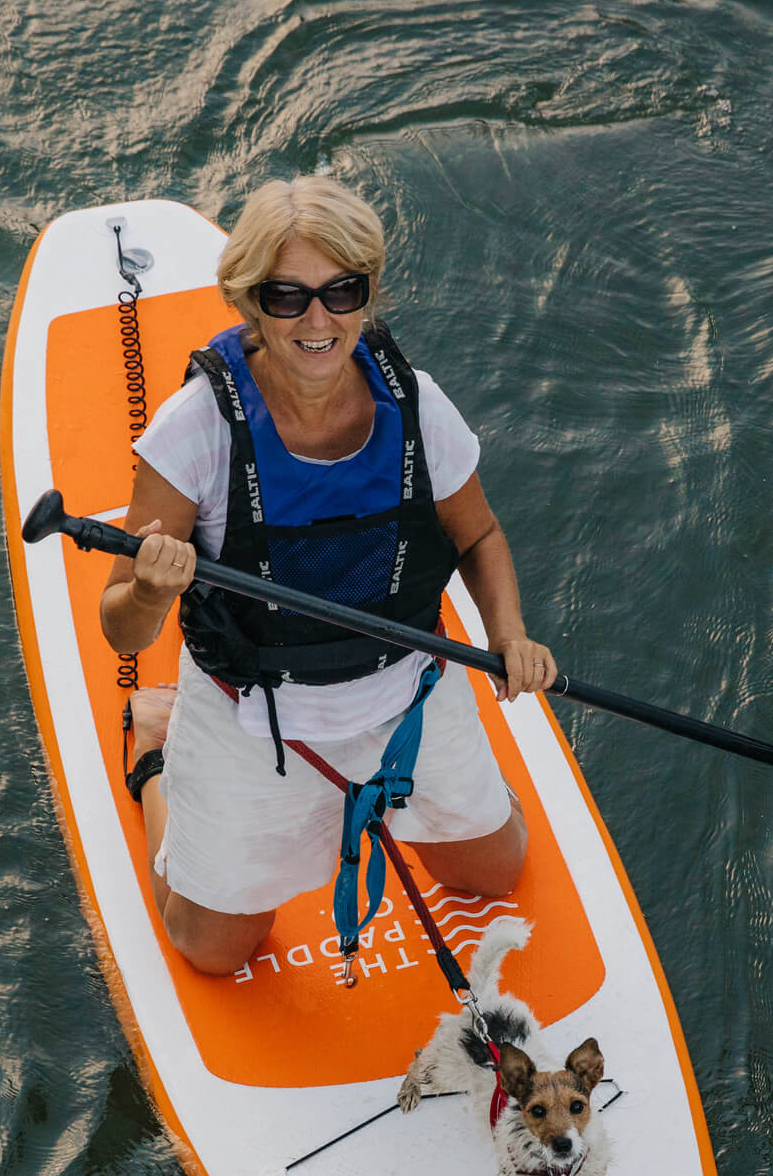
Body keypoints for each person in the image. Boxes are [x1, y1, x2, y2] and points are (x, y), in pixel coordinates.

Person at [99, 175, 557, 975]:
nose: (319, 320)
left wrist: (509, 635)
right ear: (248, 300)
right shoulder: (194, 432)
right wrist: (149, 590)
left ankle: (402, 797)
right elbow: (120, 627)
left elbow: (479, 534)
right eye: (288, 297)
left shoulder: (417, 405)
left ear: (368, 293)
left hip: (405, 685)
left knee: (494, 876)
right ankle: (158, 749)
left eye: (342, 292)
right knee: (210, 951)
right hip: (255, 711)